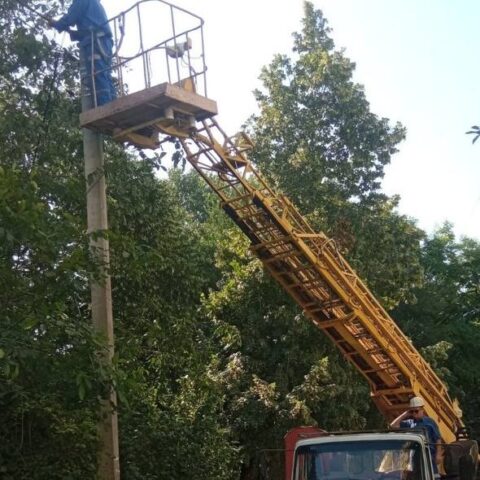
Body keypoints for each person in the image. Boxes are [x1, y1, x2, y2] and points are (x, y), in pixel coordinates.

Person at [50, 0, 116, 107]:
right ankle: (114, 105)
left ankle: (105, 108)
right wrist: (72, 32)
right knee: (106, 75)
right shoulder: (94, 3)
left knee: (97, 75)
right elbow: (87, 28)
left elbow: (70, 17)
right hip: (104, 41)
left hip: (95, 42)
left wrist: (56, 24)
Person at [390, 396, 442, 475]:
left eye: (416, 411)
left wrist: (438, 454)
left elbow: (437, 438)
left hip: (428, 455)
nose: (414, 413)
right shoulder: (409, 423)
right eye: (412, 411)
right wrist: (405, 414)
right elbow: (393, 426)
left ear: (422, 409)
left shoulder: (430, 422)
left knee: (432, 475)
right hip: (413, 456)